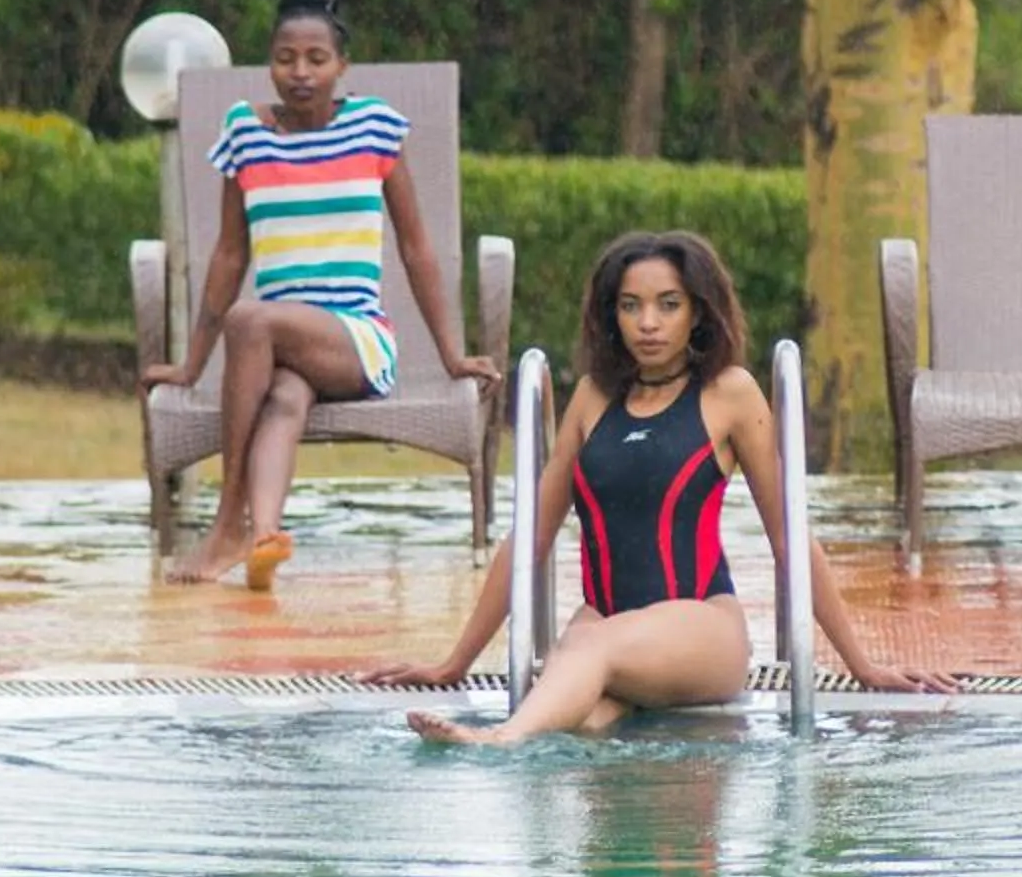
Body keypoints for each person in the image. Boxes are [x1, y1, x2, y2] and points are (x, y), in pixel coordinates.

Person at [366, 230, 954, 741]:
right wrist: (453, 664)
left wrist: (861, 665)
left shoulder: (730, 393)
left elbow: (789, 540)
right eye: (631, 306)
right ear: (610, 315)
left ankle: (498, 741)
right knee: (586, 722)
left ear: (698, 311)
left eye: (667, 305)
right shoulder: (594, 398)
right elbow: (529, 543)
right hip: (606, 626)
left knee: (586, 651)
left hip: (702, 627)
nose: (648, 323)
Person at [142, 0, 498, 586]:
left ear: (342, 67)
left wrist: (451, 356)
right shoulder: (244, 133)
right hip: (279, 350)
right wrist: (189, 367)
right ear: (269, 64)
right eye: (285, 59)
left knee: (252, 320)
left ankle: (227, 521)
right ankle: (263, 539)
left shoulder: (374, 127)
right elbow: (230, 255)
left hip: (356, 340)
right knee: (282, 401)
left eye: (315, 59)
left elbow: (416, 248)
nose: (300, 73)